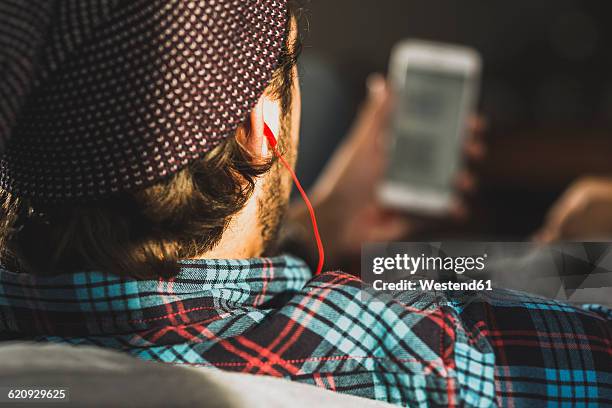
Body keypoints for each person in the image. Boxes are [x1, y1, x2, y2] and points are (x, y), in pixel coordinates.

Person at [0, 1, 610, 407]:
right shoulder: (411, 352)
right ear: (261, 126)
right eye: (289, 59)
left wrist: (321, 222)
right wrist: (584, 263)